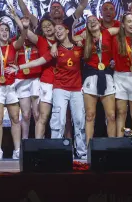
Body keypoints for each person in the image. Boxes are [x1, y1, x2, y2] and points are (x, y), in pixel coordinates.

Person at [18, 23, 87, 158]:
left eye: (60, 29)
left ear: (67, 30)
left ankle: (82, 152)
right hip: (60, 89)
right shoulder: (55, 50)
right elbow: (38, 61)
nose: (57, 32)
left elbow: (88, 35)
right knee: (58, 121)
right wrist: (19, 67)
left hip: (77, 89)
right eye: (55, 31)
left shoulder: (80, 46)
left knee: (79, 121)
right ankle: (57, 151)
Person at [0, 15, 27, 160]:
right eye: (1, 30)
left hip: (11, 86)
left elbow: (23, 37)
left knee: (15, 118)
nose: (4, 32)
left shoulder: (13, 46)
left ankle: (17, 150)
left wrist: (24, 27)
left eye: (6, 30)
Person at [78, 16, 120, 143]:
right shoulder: (85, 38)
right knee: (90, 116)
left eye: (94, 20)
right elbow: (70, 38)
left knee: (111, 115)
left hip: (107, 76)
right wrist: (80, 36)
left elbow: (123, 29)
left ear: (99, 22)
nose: (92, 22)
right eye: (89, 22)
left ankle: (112, 146)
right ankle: (88, 148)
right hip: (91, 78)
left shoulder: (107, 32)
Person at [112, 12, 132, 142]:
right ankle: (119, 143)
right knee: (121, 113)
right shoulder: (116, 40)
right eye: (129, 22)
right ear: (123, 24)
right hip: (120, 77)